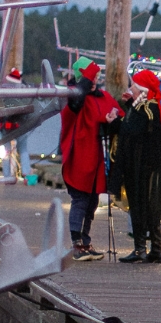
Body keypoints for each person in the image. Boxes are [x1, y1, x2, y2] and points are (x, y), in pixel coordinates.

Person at [59, 57, 121, 260]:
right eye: (90, 77)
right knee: (81, 199)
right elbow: (74, 106)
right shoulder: (73, 97)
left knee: (92, 200)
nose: (94, 80)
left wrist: (114, 121)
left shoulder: (103, 97)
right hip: (79, 156)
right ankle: (76, 243)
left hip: (97, 158)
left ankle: (85, 240)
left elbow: (118, 117)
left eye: (96, 77)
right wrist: (85, 79)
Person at [113, 69, 161, 264]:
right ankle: (156, 249)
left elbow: (131, 130)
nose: (130, 88)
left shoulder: (146, 109)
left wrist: (117, 119)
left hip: (141, 167)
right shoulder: (153, 107)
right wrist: (129, 105)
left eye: (133, 85)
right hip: (152, 166)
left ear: (141, 89)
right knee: (152, 206)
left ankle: (140, 248)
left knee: (140, 205)